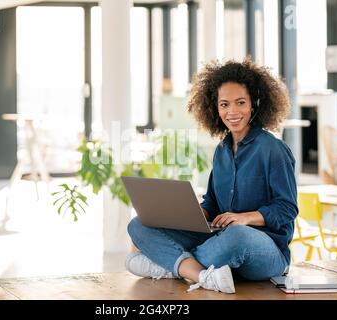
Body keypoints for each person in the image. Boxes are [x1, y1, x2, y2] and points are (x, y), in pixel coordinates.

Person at [125, 58, 298, 293]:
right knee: (139, 225)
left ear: (254, 104)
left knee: (237, 235)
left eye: (240, 103)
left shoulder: (273, 149)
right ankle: (200, 273)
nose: (232, 111)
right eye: (224, 104)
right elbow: (213, 203)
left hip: (265, 251)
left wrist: (246, 218)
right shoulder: (222, 150)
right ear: (215, 107)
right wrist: (186, 215)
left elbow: (287, 208)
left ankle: (171, 266)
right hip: (220, 240)